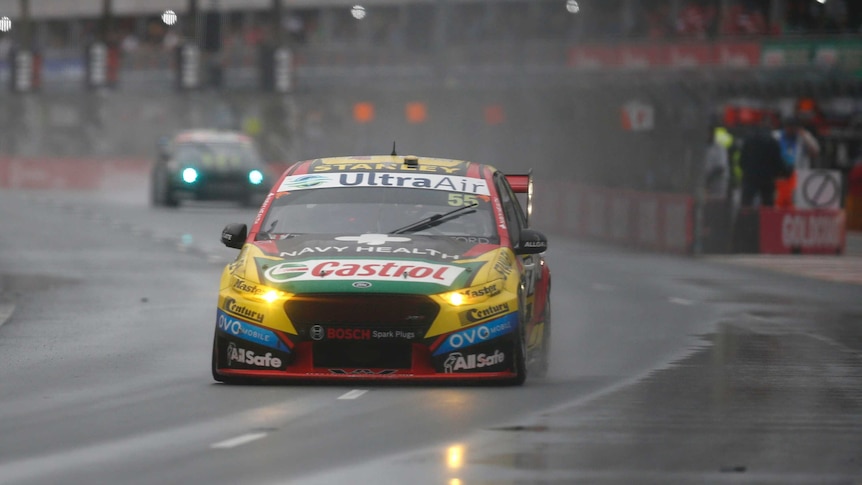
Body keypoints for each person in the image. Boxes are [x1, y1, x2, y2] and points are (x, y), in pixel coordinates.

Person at [773, 117, 821, 208]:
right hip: (779, 175)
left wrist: (805, 136)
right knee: (778, 202)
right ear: (785, 127)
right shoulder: (776, 136)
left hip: (797, 175)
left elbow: (815, 152)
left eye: (794, 128)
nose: (791, 130)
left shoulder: (803, 138)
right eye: (789, 127)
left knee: (795, 203)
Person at [738, 121, 786, 207]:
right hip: (767, 178)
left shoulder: (749, 140)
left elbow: (742, 160)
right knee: (768, 203)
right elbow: (777, 162)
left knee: (746, 202)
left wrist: (746, 170)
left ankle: (744, 219)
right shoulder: (773, 142)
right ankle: (767, 219)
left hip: (750, 176)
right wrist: (777, 173)